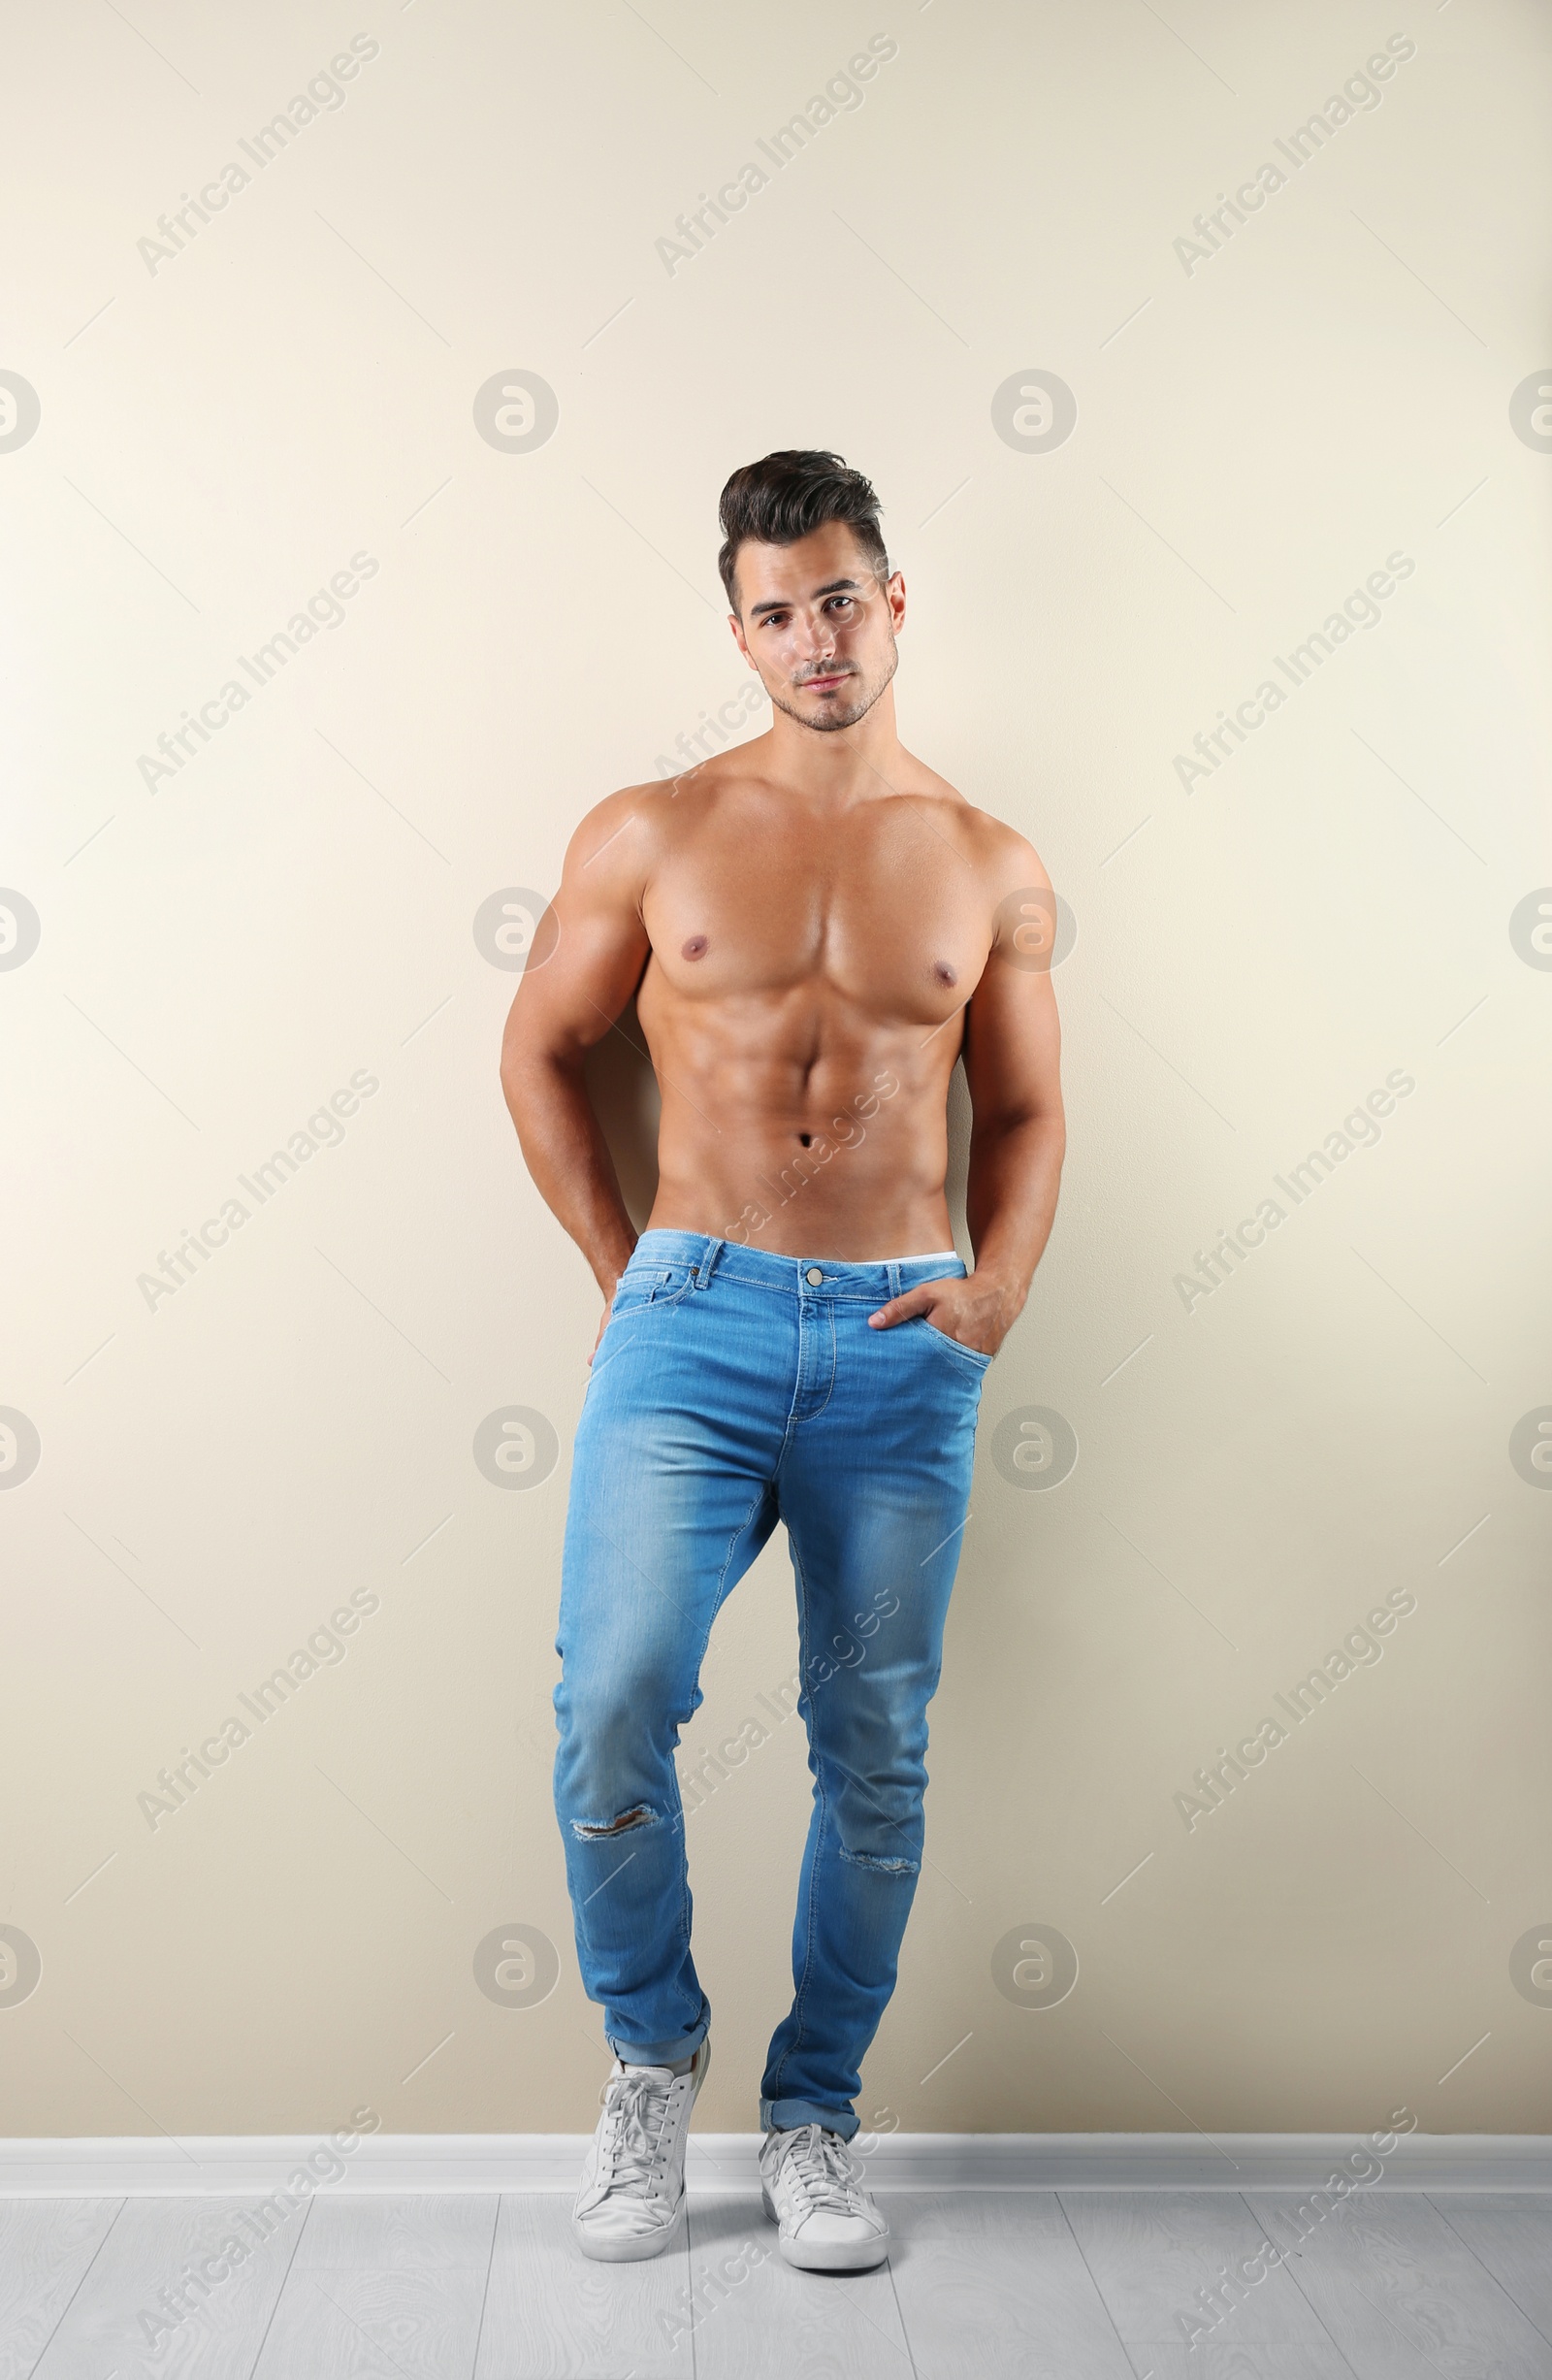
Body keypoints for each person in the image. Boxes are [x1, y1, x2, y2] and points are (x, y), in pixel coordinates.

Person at [501, 449, 1064, 2271]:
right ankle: (652, 2066)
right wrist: (621, 1265)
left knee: (873, 1752)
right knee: (614, 1701)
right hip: (696, 1315)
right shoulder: (647, 830)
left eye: (839, 598)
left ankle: (814, 2110)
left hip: (905, 1330)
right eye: (774, 610)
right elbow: (539, 1052)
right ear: (734, 630)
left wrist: (998, 1291)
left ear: (893, 602)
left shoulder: (988, 861)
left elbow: (1034, 1106)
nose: (813, 638)